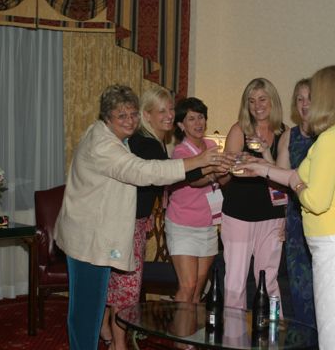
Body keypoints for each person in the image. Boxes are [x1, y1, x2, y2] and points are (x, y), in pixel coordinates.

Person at [53, 84, 223, 350]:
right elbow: (143, 172)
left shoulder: (112, 137)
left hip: (95, 233)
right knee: (87, 311)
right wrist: (199, 161)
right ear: (107, 117)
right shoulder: (103, 145)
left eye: (133, 114)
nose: (130, 121)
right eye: (122, 116)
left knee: (92, 307)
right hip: (89, 238)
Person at [239, 66, 335, 349]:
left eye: (315, 94)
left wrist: (295, 185)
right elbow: (297, 175)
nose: (309, 102)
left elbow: (315, 199)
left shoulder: (331, 139)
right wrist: (262, 168)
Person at [99, 87, 175, 349]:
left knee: (117, 281)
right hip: (126, 224)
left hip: (125, 221)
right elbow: (172, 176)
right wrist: (206, 165)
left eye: (171, 109)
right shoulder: (148, 143)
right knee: (127, 285)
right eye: (161, 110)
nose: (169, 115)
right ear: (147, 115)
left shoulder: (145, 141)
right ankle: (118, 344)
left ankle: (106, 328)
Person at [221, 77, 287, 313]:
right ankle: (231, 338)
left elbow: (286, 177)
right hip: (239, 214)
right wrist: (264, 168)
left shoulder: (284, 133)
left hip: (272, 215)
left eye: (262, 99)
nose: (257, 105)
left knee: (269, 280)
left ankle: (272, 334)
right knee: (235, 282)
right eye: (251, 101)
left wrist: (256, 164)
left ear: (273, 101)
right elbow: (232, 170)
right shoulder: (240, 129)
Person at [165, 97, 229, 304]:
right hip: (182, 226)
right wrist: (214, 172)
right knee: (188, 286)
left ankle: (188, 333)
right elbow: (195, 181)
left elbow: (223, 180)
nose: (198, 123)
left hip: (208, 227)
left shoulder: (211, 145)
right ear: (181, 125)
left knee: (198, 290)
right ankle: (176, 336)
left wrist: (232, 169)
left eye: (200, 117)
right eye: (191, 119)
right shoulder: (180, 152)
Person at [275, 78, 317, 328]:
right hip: (294, 220)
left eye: (309, 98)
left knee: (323, 289)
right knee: (299, 289)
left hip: (323, 219)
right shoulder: (288, 136)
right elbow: (280, 181)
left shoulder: (329, 135)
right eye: (300, 99)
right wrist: (281, 219)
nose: (304, 104)